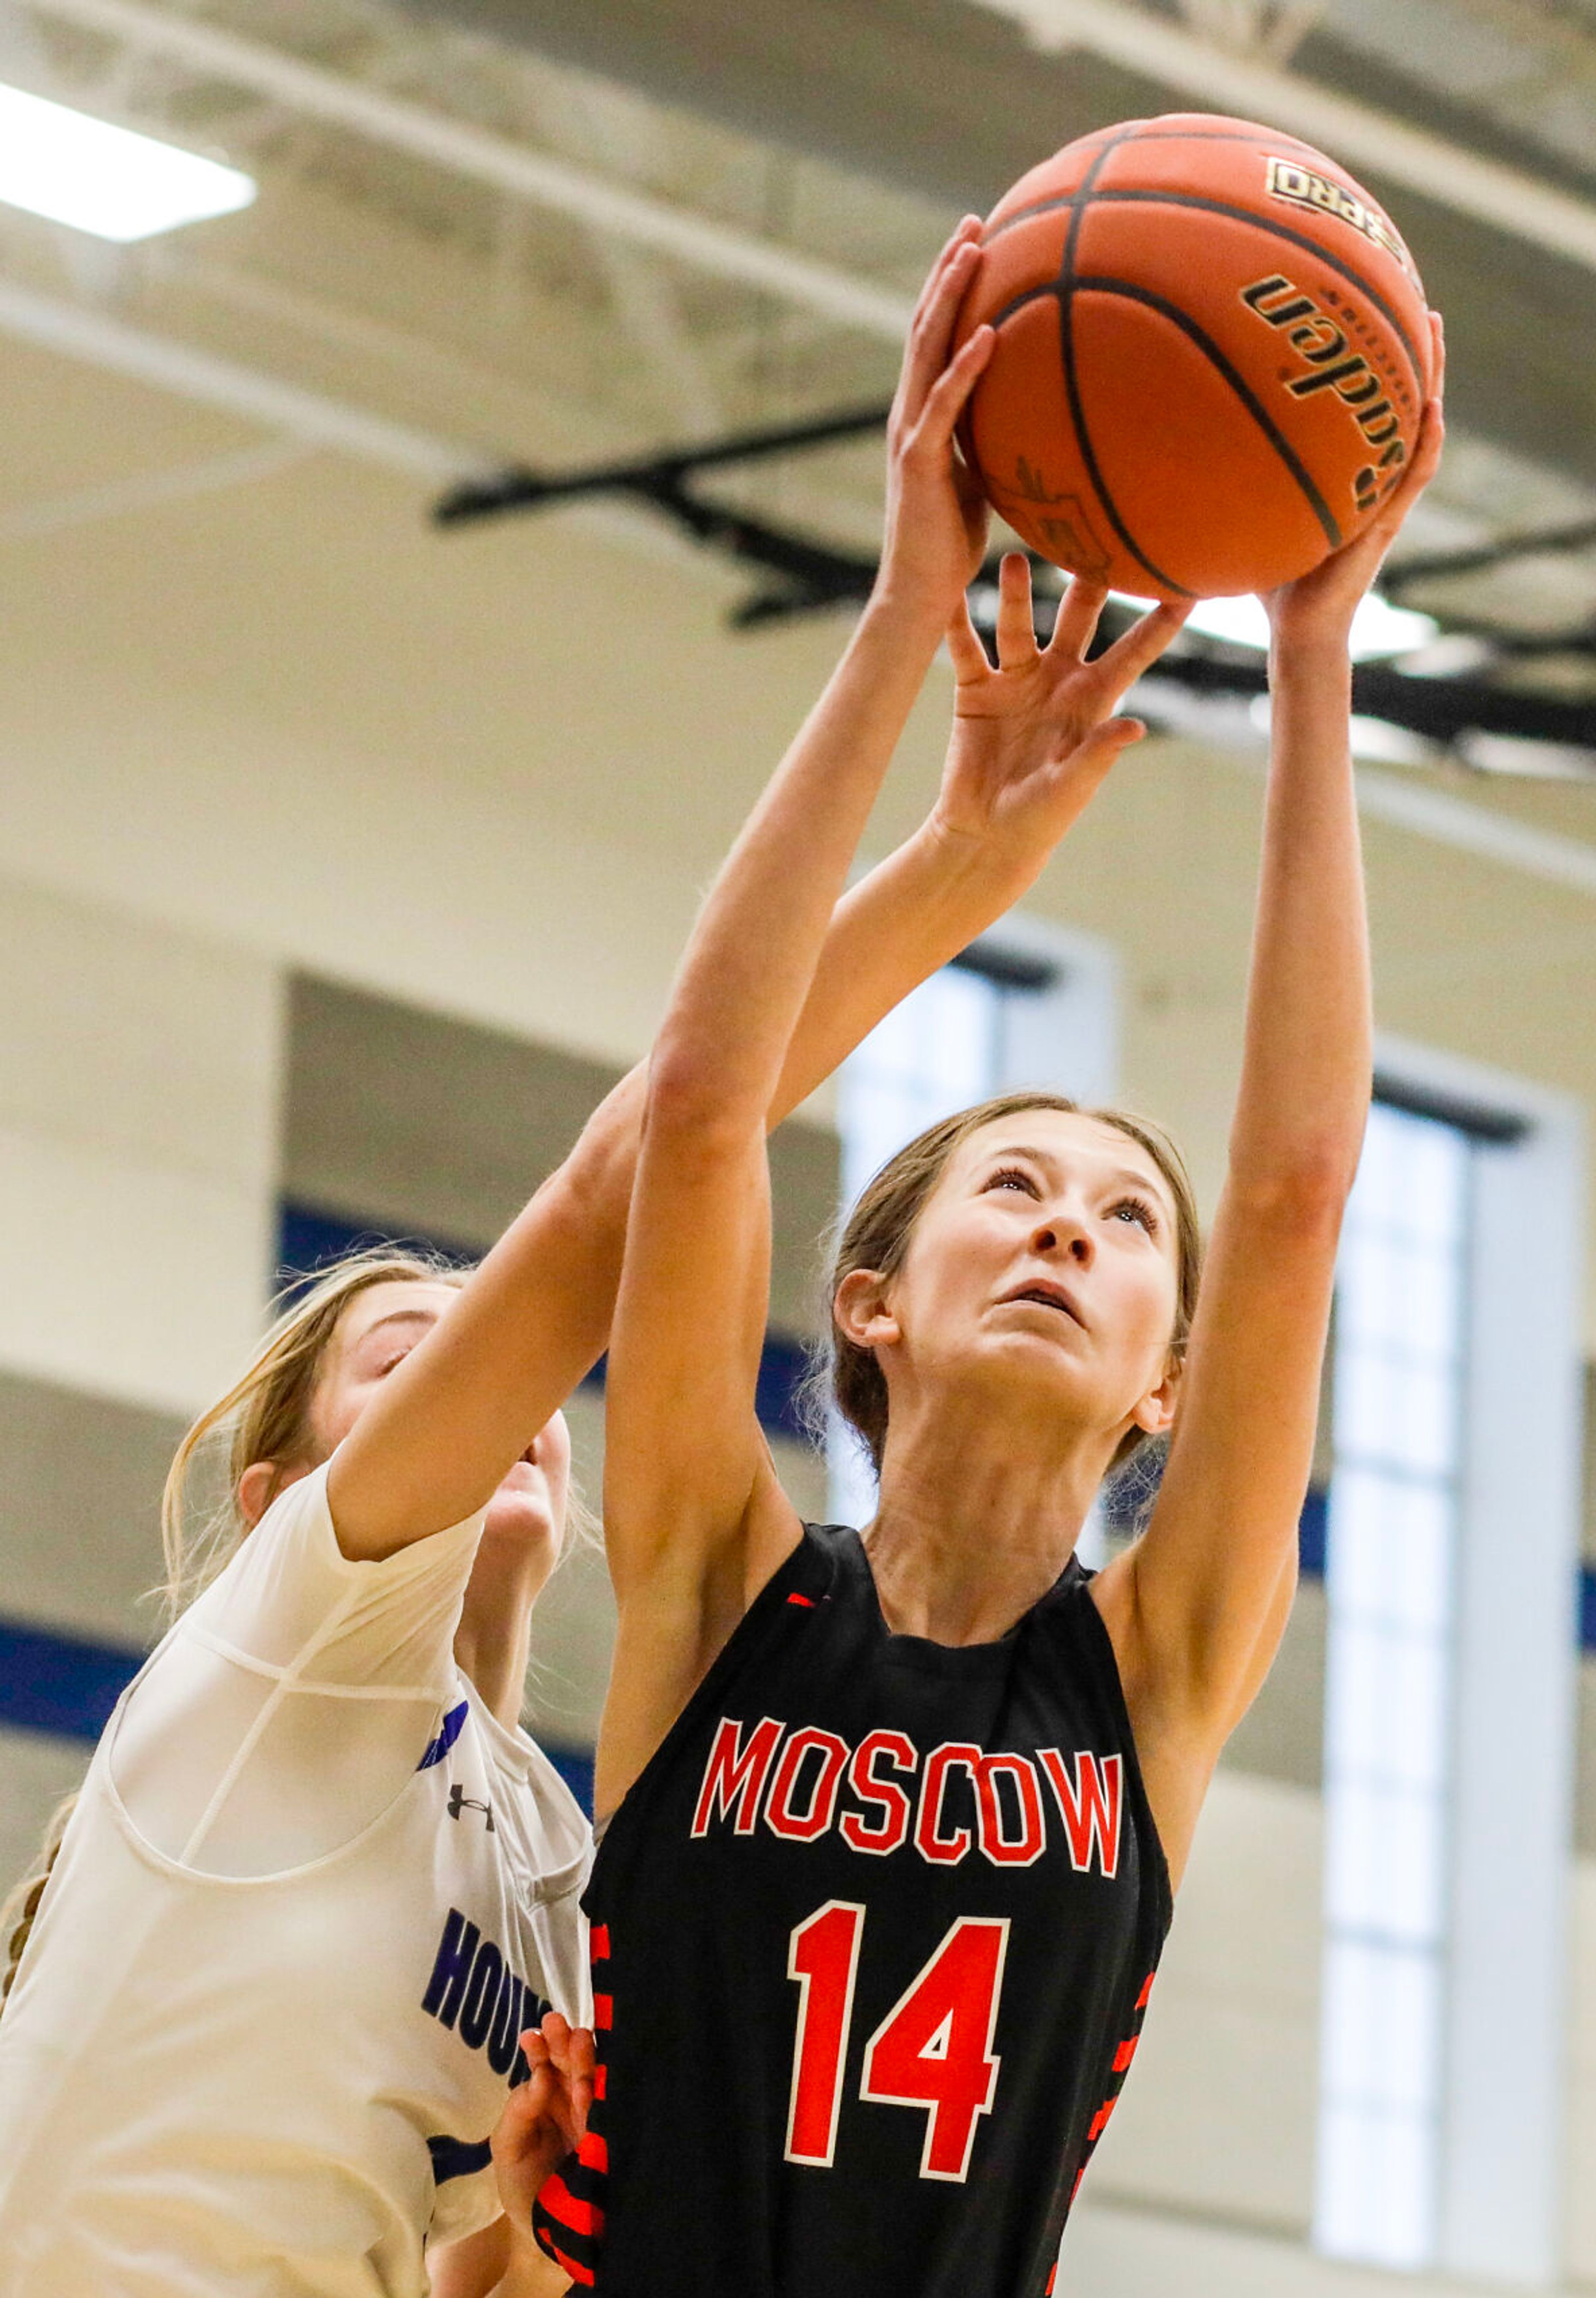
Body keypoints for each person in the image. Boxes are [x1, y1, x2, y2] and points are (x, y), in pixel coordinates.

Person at [0, 223, 1162, 2298]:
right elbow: (647, 1162)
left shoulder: (561, 1856)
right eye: (405, 1355)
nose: (493, 1374)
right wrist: (959, 823)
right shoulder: (303, 1647)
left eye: (486, 1350)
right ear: (284, 1505)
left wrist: (537, 2230)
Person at [501, 231, 1445, 2296]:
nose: (1070, 1229)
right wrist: (902, 618)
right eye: (1012, 1186)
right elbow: (701, 1107)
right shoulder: (716, 1574)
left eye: (1122, 1226)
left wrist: (1312, 660)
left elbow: (1291, 1198)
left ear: (1164, 1382)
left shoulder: (1158, 1668)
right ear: (873, 1296)